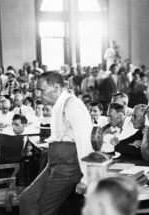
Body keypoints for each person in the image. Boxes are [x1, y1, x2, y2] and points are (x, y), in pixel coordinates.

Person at [20, 72, 93, 215]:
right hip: (54, 164)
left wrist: (87, 177)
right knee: (27, 199)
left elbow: (85, 142)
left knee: (44, 208)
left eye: (42, 90)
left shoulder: (73, 104)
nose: (39, 95)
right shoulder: (57, 107)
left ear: (57, 87)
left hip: (68, 167)